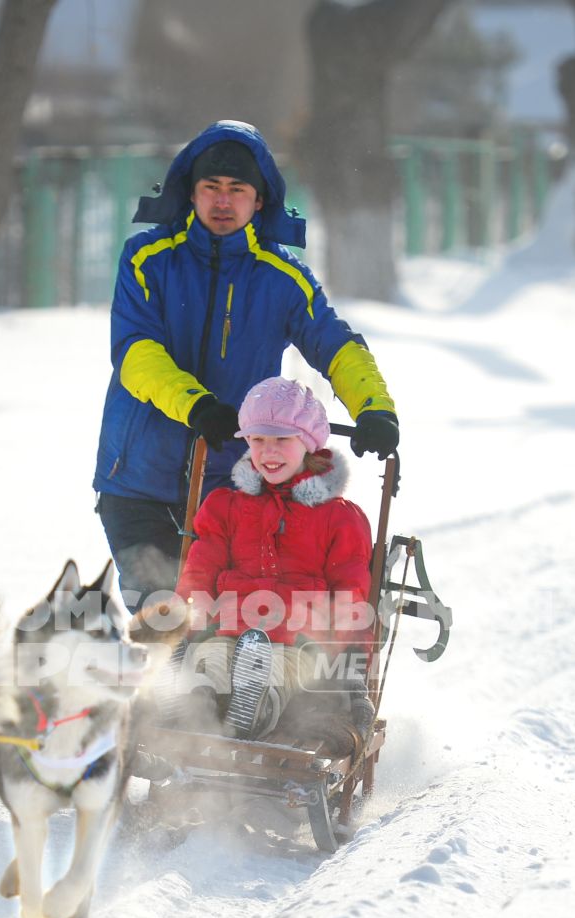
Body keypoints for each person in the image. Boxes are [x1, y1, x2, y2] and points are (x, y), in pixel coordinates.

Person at [93, 119, 400, 610]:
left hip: (236, 488)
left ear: (260, 201)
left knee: (229, 627)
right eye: (210, 187)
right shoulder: (146, 258)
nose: (222, 201)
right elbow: (135, 352)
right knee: (163, 621)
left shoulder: (282, 277)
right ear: (190, 194)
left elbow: (335, 343)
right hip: (135, 478)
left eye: (237, 189)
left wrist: (375, 408)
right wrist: (196, 406)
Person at [167, 376, 377, 756]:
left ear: (308, 442)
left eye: (282, 439)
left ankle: (256, 711)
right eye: (258, 440)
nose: (269, 451)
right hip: (225, 630)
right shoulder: (224, 506)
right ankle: (191, 706)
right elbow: (200, 573)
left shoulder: (339, 518)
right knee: (209, 662)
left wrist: (352, 664)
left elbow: (351, 593)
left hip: (299, 642)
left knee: (274, 671)